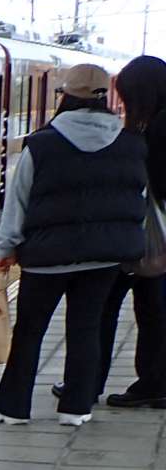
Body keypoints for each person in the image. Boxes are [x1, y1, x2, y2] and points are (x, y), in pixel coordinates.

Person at [0, 62, 150, 427]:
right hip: (104, 257)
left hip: (46, 257)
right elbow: (137, 202)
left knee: (30, 331)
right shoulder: (131, 144)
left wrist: (6, 248)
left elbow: (18, 201)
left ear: (66, 96)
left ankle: (13, 408)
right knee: (86, 329)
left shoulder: (41, 143)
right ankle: (76, 409)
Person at [69, 56, 166, 408]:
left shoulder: (157, 128)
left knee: (105, 306)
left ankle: (89, 383)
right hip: (149, 238)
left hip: (144, 238)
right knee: (153, 312)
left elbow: (153, 183)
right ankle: (153, 383)